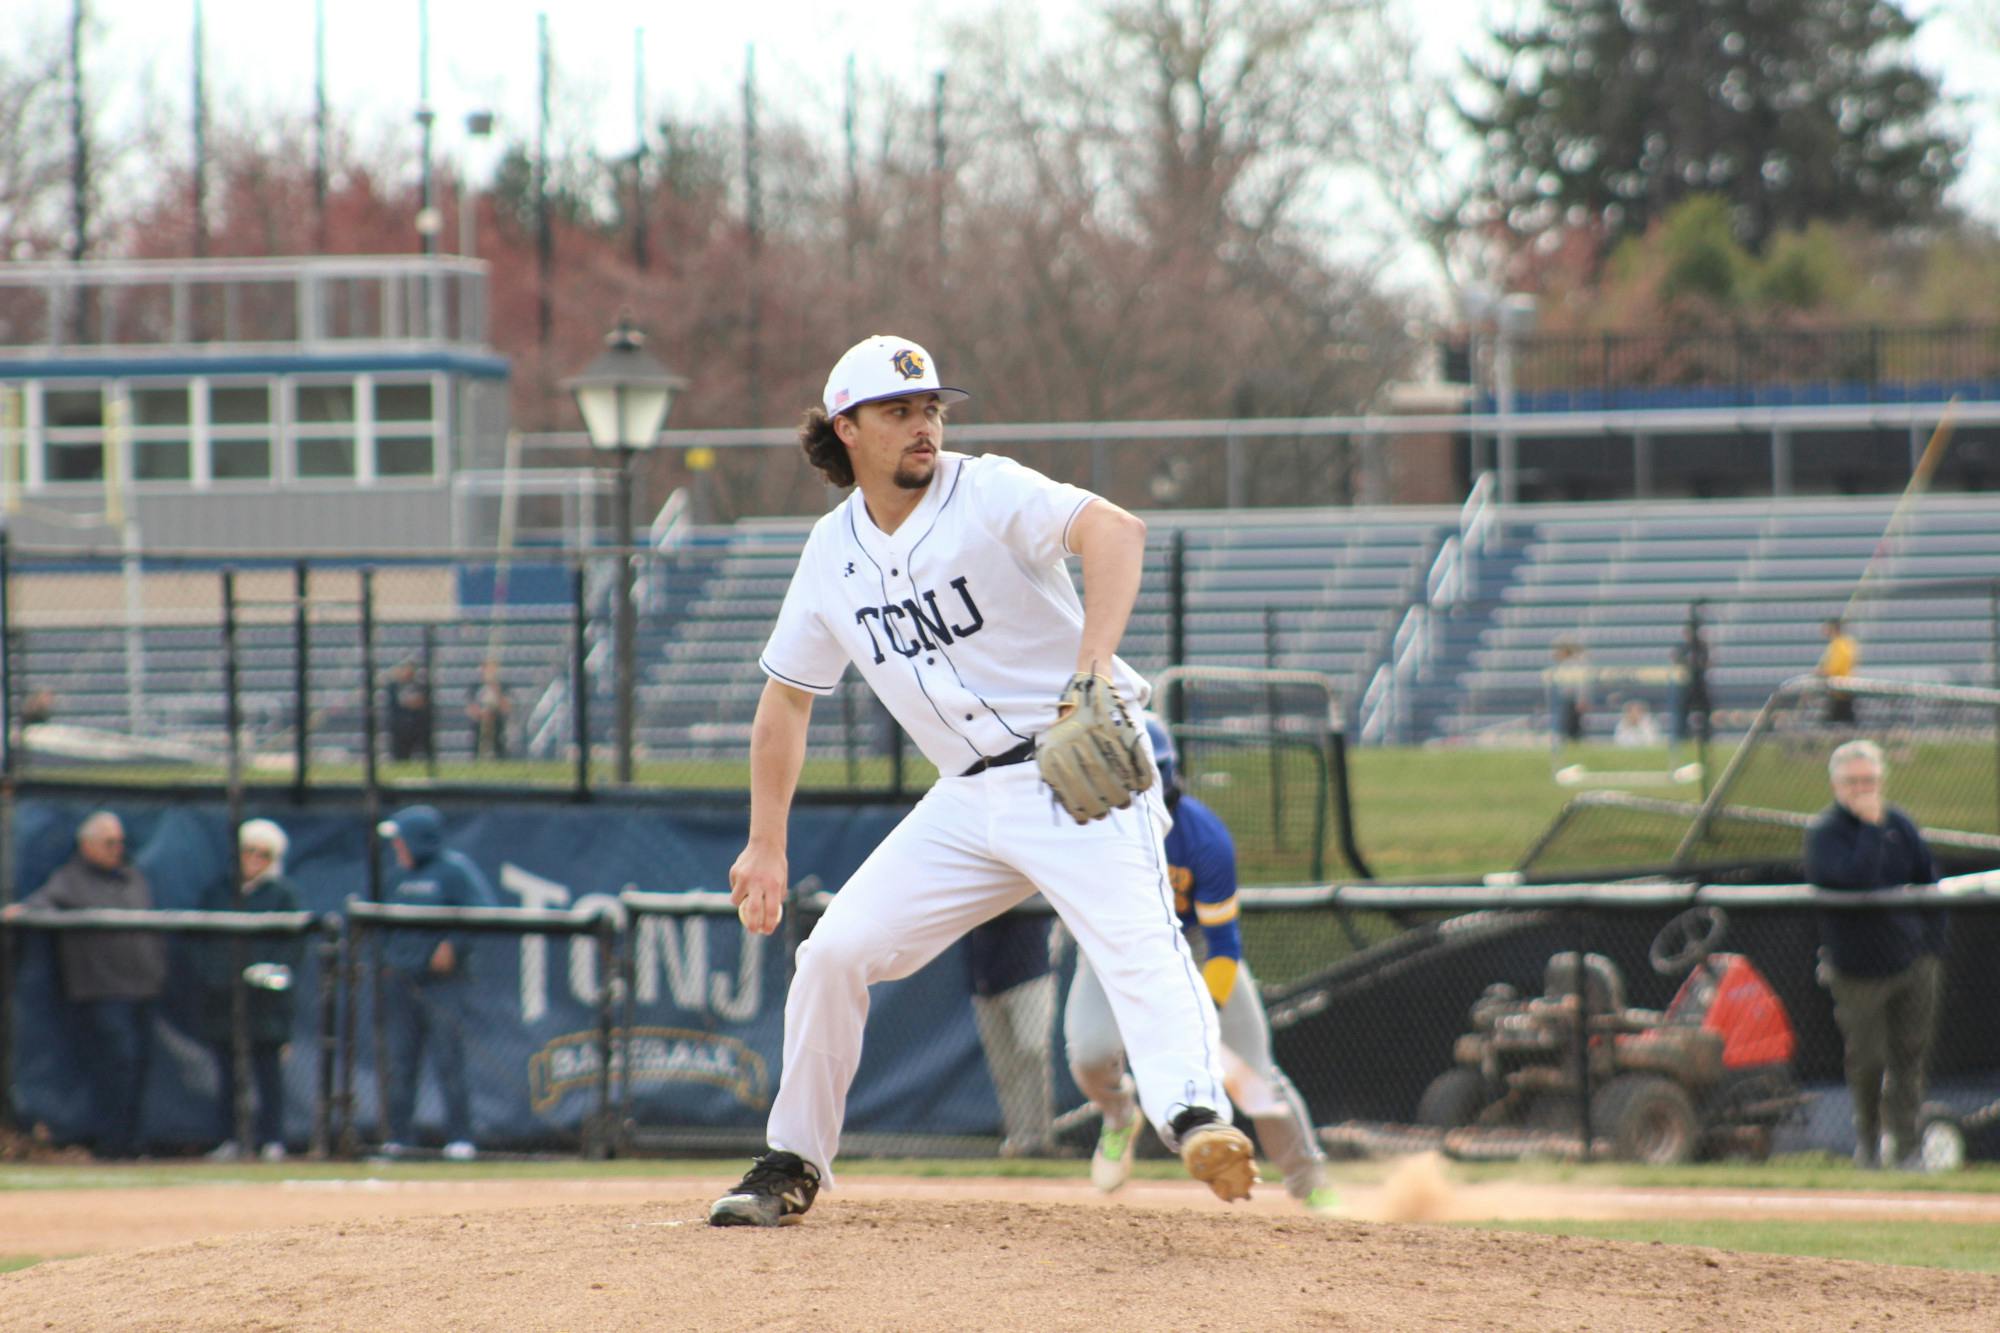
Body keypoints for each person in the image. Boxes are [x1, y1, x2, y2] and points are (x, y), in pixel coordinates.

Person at [710, 334, 1249, 1227]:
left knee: (1137, 940)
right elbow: (786, 702)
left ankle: (1195, 1115)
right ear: (845, 427)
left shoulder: (987, 487)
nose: (924, 425)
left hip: (1077, 770)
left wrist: (1091, 669)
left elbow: (1116, 531)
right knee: (835, 951)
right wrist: (767, 840)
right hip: (965, 796)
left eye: (931, 408)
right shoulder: (829, 552)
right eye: (898, 411)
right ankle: (790, 1161)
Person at [1065, 718, 1339, 1216]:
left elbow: (1224, 946)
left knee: (1256, 1080)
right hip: (1115, 943)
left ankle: (1309, 1181)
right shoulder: (1090, 826)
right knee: (1089, 1054)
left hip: (1192, 947)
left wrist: (1199, 1014)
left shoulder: (1203, 838)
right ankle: (1119, 1113)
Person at [1804, 739, 1946, 1170]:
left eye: (1870, 780)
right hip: (1857, 970)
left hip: (1911, 963)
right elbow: (1854, 880)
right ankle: (1867, 1144)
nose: (1863, 789)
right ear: (1835, 784)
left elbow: (1929, 883)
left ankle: (1907, 1148)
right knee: (1867, 1060)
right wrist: (1868, 827)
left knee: (1910, 1056)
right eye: (1853, 782)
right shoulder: (1825, 832)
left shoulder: (1900, 824)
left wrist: (1931, 949)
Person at [1, 812, 165, 1158]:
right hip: (102, 990)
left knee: (141, 1067)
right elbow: (39, 904)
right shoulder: (71, 879)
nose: (117, 848)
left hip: (143, 989)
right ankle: (114, 1144)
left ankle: (134, 1142)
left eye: (121, 842)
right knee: (116, 1065)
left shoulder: (132, 878)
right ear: (87, 845)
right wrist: (19, 912)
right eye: (109, 842)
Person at [375, 804, 495, 1160]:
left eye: (401, 841)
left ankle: (460, 1138)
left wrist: (453, 945)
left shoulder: (453, 870)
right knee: (399, 1062)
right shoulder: (396, 877)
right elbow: (380, 922)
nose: (397, 848)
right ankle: (399, 1137)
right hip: (402, 982)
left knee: (448, 1060)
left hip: (444, 985)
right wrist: (388, 959)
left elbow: (484, 911)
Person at [196, 819, 304, 1163]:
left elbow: (291, 950)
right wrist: (222, 976)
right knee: (227, 1073)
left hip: (265, 1002)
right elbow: (201, 943)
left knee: (267, 1072)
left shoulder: (282, 895)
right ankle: (228, 1138)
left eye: (264, 854)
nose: (255, 859)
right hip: (224, 996)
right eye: (249, 851)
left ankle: (272, 1139)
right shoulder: (219, 891)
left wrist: (265, 973)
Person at [966, 914, 1057, 1158]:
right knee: (1003, 1067)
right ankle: (1017, 1138)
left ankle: (1037, 1140)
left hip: (1031, 974)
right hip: (986, 978)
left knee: (1032, 1052)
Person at [1671, 618, 1711, 744]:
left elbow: (1707, 663)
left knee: (1705, 712)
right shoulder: (1682, 648)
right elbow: (1676, 661)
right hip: (1686, 685)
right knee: (1683, 712)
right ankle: (1682, 736)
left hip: (1700, 685)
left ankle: (1705, 736)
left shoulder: (1702, 646)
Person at [384, 660, 434, 763]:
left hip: (418, 726)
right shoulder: (393, 686)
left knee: (425, 754)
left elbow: (422, 702)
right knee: (400, 758)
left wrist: (410, 702)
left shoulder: (421, 686)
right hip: (400, 727)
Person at [465, 657, 513, 760]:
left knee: (500, 751)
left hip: (497, 724)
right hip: (480, 724)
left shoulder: (502, 687)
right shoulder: (475, 687)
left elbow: (506, 707)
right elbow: (470, 709)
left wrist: (496, 689)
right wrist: (482, 714)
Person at [1817, 618, 1859, 726]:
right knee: (1844, 718)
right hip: (1840, 690)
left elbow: (1836, 667)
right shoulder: (1844, 643)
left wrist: (1823, 672)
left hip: (1840, 690)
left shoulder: (1839, 645)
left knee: (1837, 720)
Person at [1548, 637, 1589, 749]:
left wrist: (1580, 698)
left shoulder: (1572, 664)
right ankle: (1572, 743)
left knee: (1573, 724)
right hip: (1567, 698)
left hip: (1572, 699)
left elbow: (1580, 683)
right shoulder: (1565, 664)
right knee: (1569, 723)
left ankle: (1575, 743)